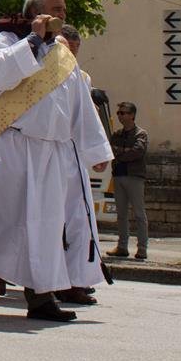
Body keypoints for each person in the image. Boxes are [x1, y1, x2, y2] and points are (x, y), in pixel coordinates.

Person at [0, 0, 110, 323]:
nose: (62, 14)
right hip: (11, 146)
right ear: (35, 13)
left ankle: (41, 297)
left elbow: (80, 105)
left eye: (63, 9)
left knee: (45, 226)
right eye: (56, 9)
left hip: (50, 153)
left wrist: (95, 149)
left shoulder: (62, 54)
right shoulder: (8, 40)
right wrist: (33, 41)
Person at [54, 24, 111, 305]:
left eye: (75, 48)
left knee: (79, 219)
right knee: (53, 220)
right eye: (68, 47)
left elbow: (87, 115)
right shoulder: (43, 72)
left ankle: (76, 277)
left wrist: (96, 151)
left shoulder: (81, 76)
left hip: (73, 154)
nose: (72, 53)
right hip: (50, 150)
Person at [108, 101, 149, 260]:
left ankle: (142, 248)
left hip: (134, 176)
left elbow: (137, 152)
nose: (120, 116)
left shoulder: (140, 134)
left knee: (139, 213)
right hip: (118, 175)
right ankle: (122, 246)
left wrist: (121, 153)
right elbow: (111, 149)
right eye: (119, 113)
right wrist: (124, 152)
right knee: (121, 214)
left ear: (132, 115)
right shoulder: (117, 134)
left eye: (123, 113)